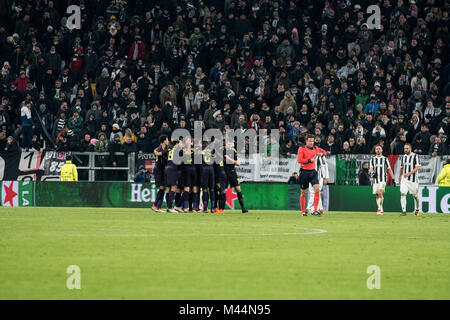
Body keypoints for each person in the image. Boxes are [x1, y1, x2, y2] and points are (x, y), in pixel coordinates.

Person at [297, 134, 327, 216]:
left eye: (312, 141)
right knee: (303, 192)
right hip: (304, 172)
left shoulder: (316, 148)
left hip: (313, 172)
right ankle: (303, 211)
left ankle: (315, 210)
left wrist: (322, 154)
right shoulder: (301, 149)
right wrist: (309, 160)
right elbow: (299, 160)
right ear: (306, 141)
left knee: (317, 190)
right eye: (310, 141)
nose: (311, 143)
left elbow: (324, 152)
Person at [370, 145, 395, 215]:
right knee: (377, 195)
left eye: (379, 149)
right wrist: (372, 173)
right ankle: (380, 208)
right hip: (376, 180)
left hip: (383, 179)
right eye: (376, 149)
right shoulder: (372, 159)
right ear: (375, 151)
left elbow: (389, 169)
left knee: (380, 192)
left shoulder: (385, 159)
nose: (378, 150)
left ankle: (379, 208)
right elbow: (371, 168)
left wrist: (393, 178)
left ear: (382, 150)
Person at [224, 140, 248, 213]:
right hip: (224, 172)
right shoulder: (222, 151)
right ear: (225, 144)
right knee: (222, 190)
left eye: (231, 143)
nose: (230, 144)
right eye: (228, 143)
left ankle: (243, 208)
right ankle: (219, 208)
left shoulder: (233, 151)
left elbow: (238, 163)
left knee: (238, 189)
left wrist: (230, 159)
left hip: (232, 172)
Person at [398, 143, 421, 216]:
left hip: (413, 180)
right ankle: (404, 211)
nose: (405, 150)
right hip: (404, 179)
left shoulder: (415, 156)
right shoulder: (403, 157)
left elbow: (417, 167)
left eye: (407, 148)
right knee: (403, 193)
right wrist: (399, 177)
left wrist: (409, 173)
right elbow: (401, 167)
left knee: (415, 196)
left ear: (410, 149)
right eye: (405, 148)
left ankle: (417, 209)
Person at [152, 135, 169, 212]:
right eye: (167, 140)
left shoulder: (159, 149)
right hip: (159, 170)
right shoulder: (161, 149)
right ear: (164, 141)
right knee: (162, 188)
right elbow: (161, 155)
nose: (168, 141)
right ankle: (158, 206)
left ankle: (156, 205)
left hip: (161, 170)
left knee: (163, 188)